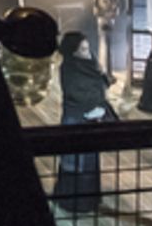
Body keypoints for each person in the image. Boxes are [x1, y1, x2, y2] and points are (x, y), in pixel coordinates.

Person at [52, 31, 117, 214]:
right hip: (77, 119)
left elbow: (101, 84)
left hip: (92, 118)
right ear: (73, 51)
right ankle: (72, 201)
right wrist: (93, 106)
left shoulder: (90, 63)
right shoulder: (69, 69)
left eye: (88, 48)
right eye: (82, 49)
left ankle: (88, 200)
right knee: (75, 161)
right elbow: (76, 94)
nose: (87, 52)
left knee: (89, 160)